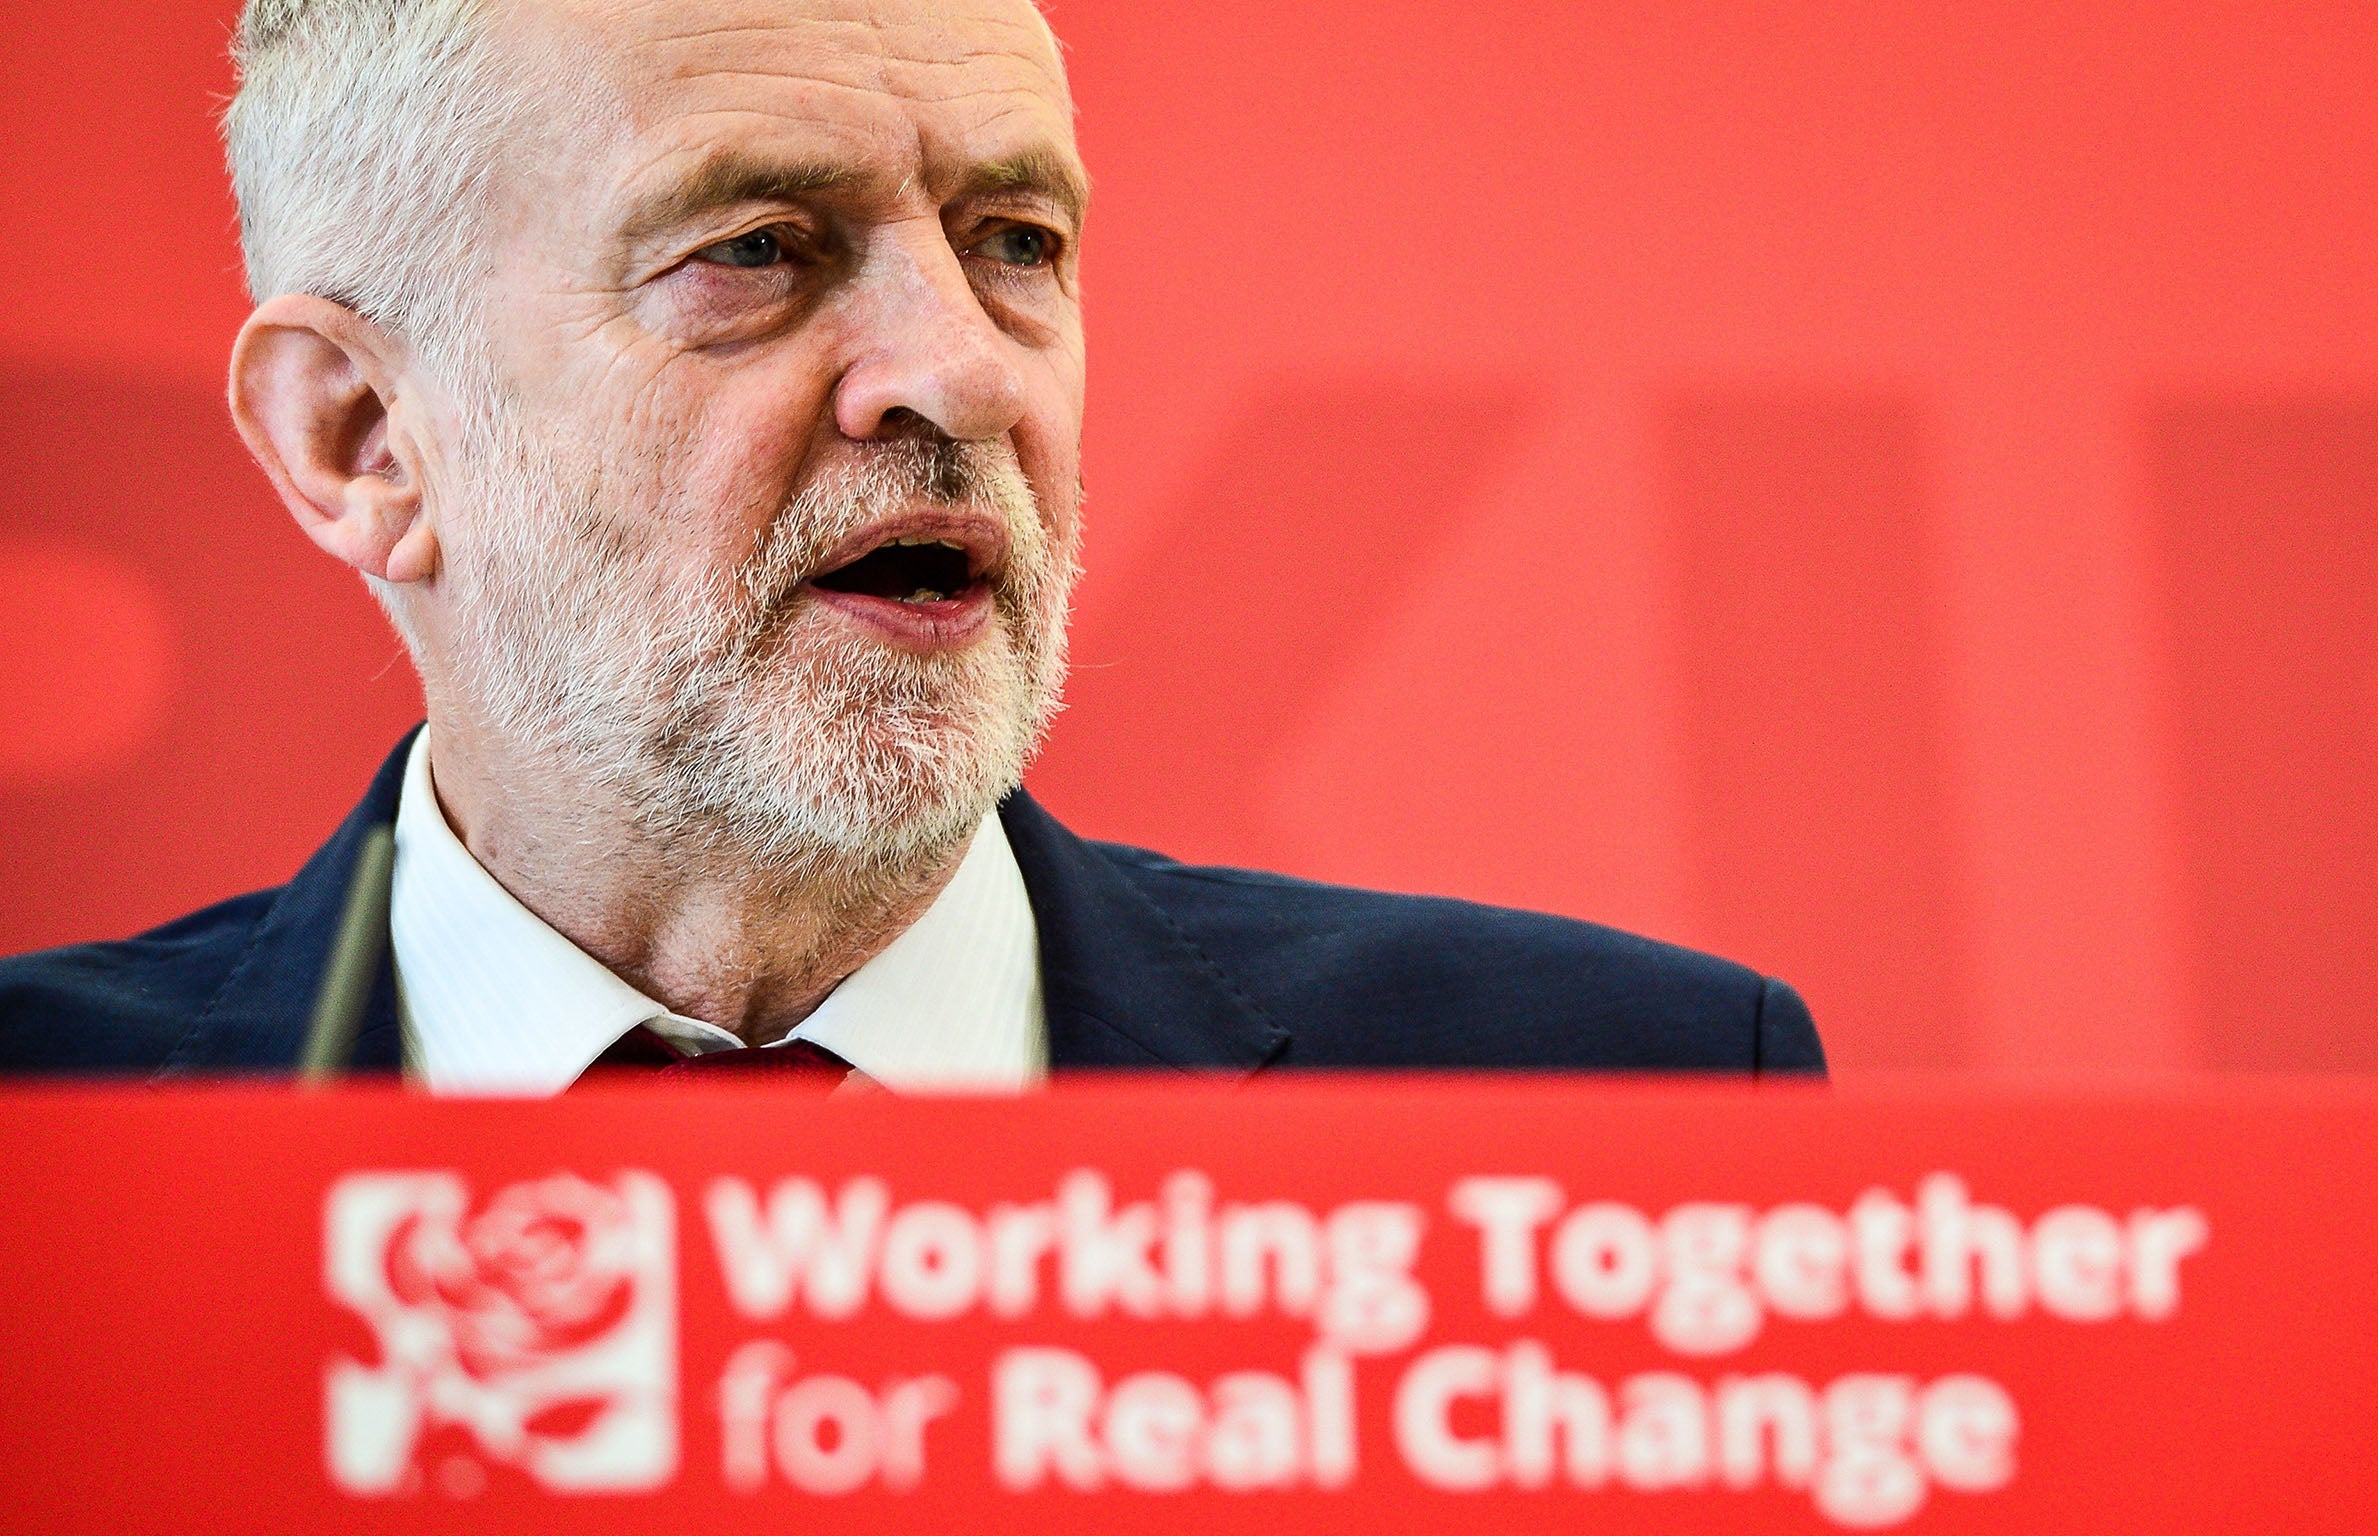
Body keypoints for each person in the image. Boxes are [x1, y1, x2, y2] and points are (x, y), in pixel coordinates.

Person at [0, 0, 1822, 1089]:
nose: (959, 365)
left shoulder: (1611, 1102)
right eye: (760, 247)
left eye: (1016, 238)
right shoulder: (50, 1162)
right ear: (363, 438)